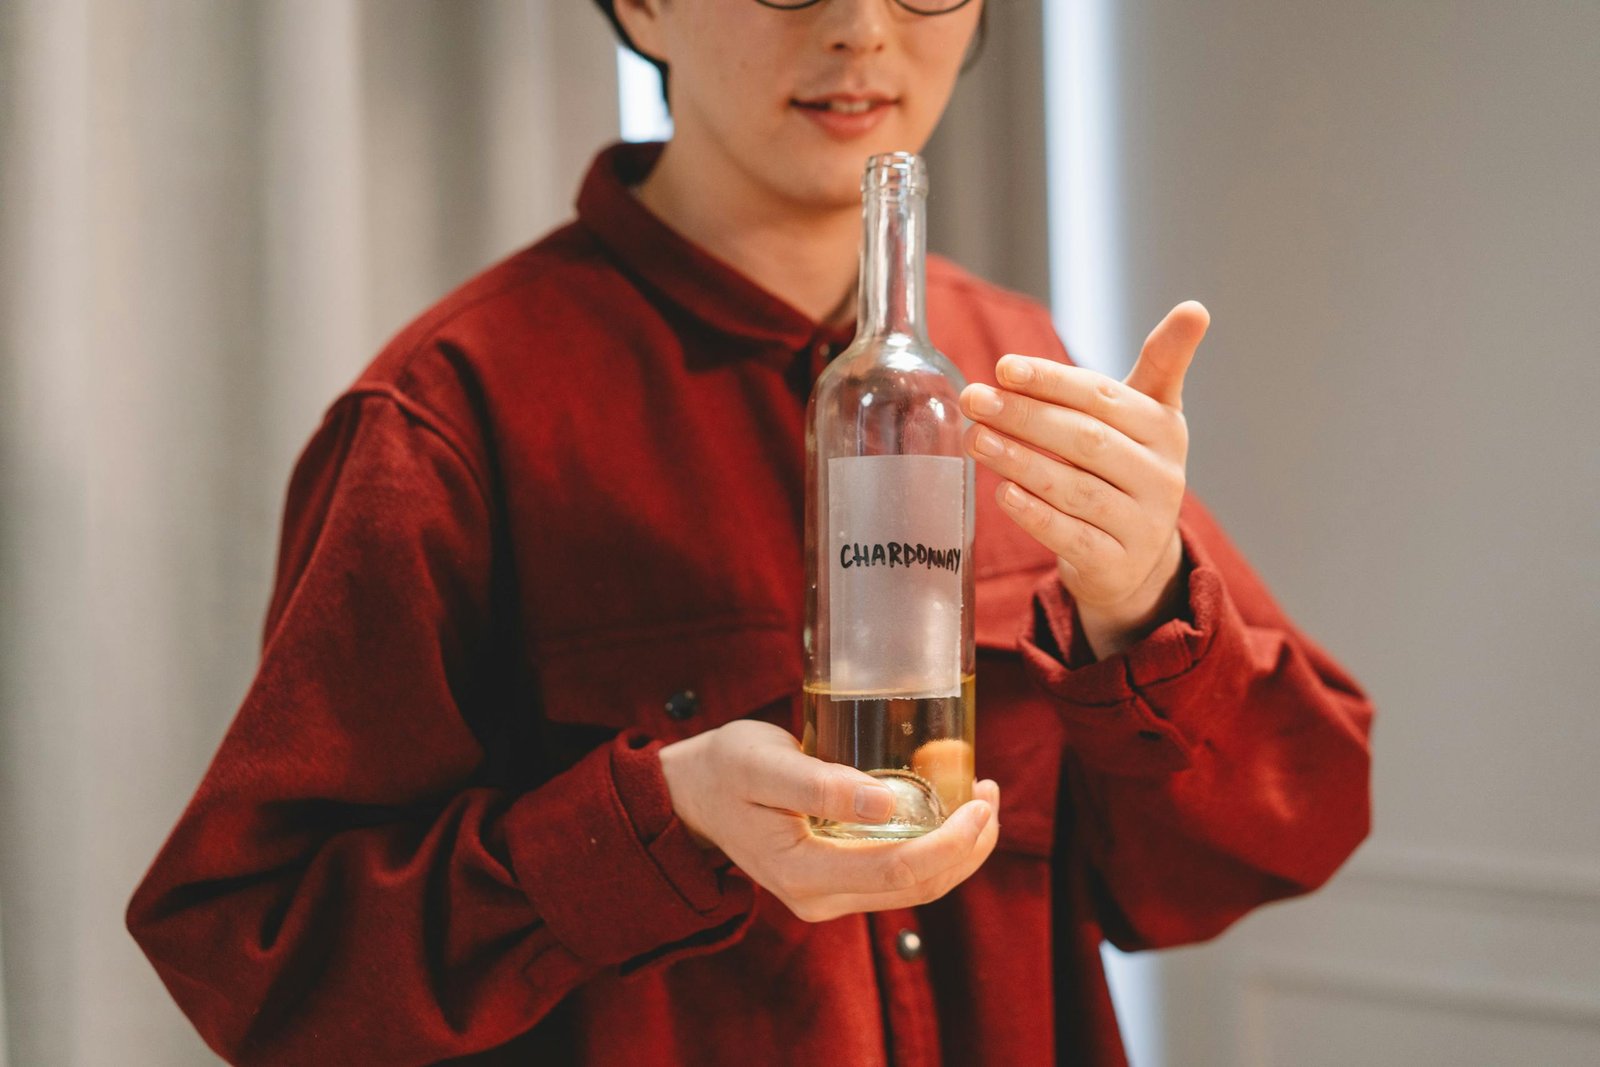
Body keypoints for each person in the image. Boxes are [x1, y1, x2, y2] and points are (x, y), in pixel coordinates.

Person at [126, 1, 1374, 1064]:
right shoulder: (454, 410)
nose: (860, 27)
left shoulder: (1022, 370)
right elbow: (256, 954)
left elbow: (1293, 824)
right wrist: (657, 823)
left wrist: (1144, 600)